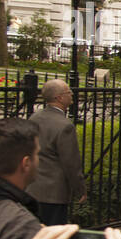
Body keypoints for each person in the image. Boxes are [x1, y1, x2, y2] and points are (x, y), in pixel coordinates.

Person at [28, 79, 86, 225]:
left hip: (32, 189)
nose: (72, 94)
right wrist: (80, 189)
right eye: (68, 92)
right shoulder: (65, 126)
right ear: (59, 98)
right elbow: (70, 162)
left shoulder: (34, 118)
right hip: (54, 193)